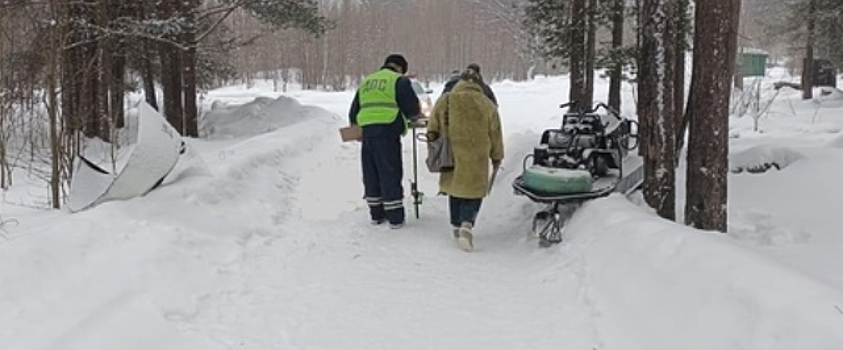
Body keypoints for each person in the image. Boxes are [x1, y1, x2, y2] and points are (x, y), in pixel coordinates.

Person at [426, 69, 504, 252]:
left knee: (455, 188)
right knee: (473, 191)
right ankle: (467, 225)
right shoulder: (487, 104)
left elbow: (432, 126)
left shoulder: (446, 99)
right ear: (478, 84)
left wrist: (433, 141)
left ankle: (455, 224)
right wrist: (497, 155)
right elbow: (496, 133)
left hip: (451, 153)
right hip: (477, 156)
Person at [348, 54, 422, 229]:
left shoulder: (367, 81)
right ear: (400, 68)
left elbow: (354, 111)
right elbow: (412, 108)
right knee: (389, 171)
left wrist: (355, 129)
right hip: (387, 130)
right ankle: (395, 217)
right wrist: (414, 118)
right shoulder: (398, 81)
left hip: (367, 133)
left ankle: (376, 214)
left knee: (371, 173)